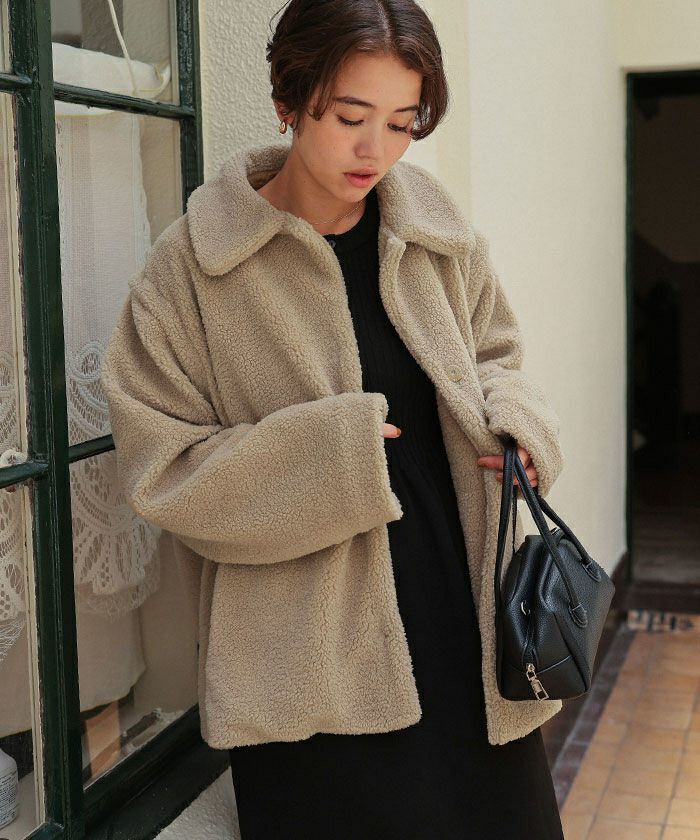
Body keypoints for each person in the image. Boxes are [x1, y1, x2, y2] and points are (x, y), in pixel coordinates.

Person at [101, 0, 566, 836]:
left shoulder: (435, 232)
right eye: (351, 117)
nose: (374, 150)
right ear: (289, 100)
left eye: (400, 122)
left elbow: (497, 354)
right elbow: (161, 469)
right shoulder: (194, 269)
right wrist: (327, 459)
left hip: (466, 625)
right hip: (305, 662)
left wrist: (518, 428)